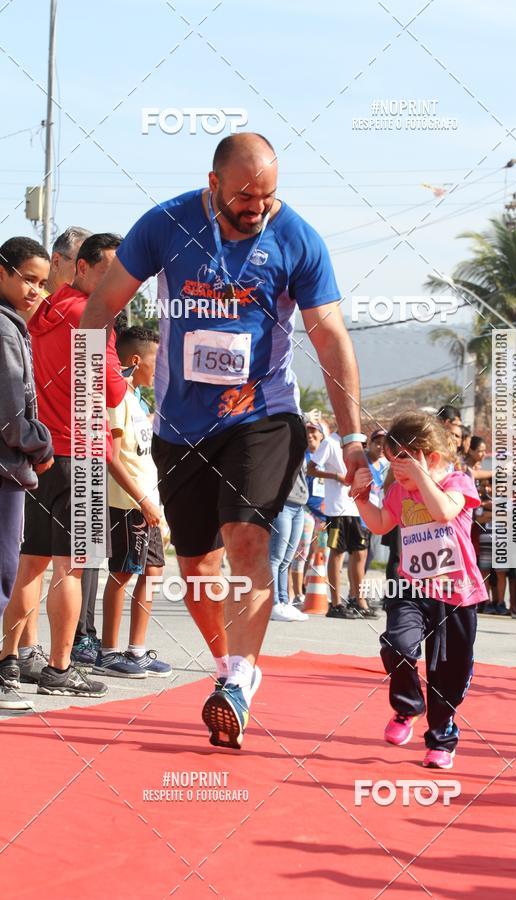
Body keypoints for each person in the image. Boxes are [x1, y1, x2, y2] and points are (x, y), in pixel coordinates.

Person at [80, 133, 368, 749]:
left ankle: (237, 680)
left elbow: (331, 340)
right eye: (243, 197)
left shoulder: (298, 239)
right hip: (180, 427)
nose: (257, 208)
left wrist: (351, 437)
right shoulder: (166, 224)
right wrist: (80, 393)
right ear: (212, 182)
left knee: (246, 536)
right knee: (198, 568)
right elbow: (101, 306)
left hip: (261, 415)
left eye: (267, 196)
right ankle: (230, 667)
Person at [0, 233, 126, 698]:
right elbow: (112, 392)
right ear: (83, 269)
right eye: (109, 270)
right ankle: (59, 668)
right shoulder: (92, 318)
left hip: (40, 455)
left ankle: (9, 661)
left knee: (29, 564)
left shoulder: (38, 315)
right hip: (83, 456)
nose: (119, 280)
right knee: (71, 569)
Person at [351, 410, 486, 770]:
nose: (398, 474)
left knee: (448, 671)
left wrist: (423, 478)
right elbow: (381, 525)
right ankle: (408, 707)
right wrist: (363, 499)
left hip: (455, 594)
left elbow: (443, 512)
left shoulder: (458, 483)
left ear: (432, 457)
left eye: (404, 464)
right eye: (393, 465)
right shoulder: (399, 491)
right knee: (397, 644)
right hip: (410, 588)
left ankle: (441, 738)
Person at [95, 326, 172, 677]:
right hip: (128, 504)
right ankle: (109, 653)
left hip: (148, 504)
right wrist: (142, 499)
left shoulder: (139, 400)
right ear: (136, 359)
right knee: (123, 573)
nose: (161, 366)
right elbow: (110, 457)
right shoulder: (117, 398)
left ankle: (136, 649)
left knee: (153, 572)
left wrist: (156, 504)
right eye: (157, 358)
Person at [0, 238, 54, 710]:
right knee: (3, 572)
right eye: (29, 279)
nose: (36, 290)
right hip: (6, 468)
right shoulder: (5, 329)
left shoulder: (15, 326)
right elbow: (12, 415)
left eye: (42, 283)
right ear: (3, 272)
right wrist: (41, 444)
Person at [308, 429, 374, 618]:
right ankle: (336, 603)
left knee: (360, 553)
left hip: (355, 507)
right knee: (337, 553)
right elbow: (311, 468)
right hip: (336, 509)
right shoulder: (330, 442)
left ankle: (358, 600)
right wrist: (336, 476)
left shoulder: (356, 443)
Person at [19, 226, 92, 324]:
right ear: (56, 262)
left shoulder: (85, 304)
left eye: (92, 266)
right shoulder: (32, 300)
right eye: (81, 265)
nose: (86, 273)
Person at [290, 420, 327, 605]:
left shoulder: (327, 457)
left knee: (320, 553)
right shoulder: (301, 456)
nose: (311, 435)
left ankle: (312, 589)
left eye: (315, 431)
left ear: (322, 435)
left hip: (323, 516)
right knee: (301, 553)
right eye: (308, 432)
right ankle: (297, 594)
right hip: (304, 511)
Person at [269, 464, 310, 622]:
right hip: (282, 504)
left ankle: (284, 602)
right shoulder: (282, 441)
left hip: (299, 506)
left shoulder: (300, 444)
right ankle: (273, 604)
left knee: (287, 560)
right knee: (276, 558)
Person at [364, 428, 390, 572]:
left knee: (370, 553)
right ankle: (355, 592)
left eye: (384, 444)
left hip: (375, 514)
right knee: (359, 553)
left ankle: (356, 589)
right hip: (359, 513)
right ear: (370, 443)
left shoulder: (383, 465)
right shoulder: (362, 460)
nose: (380, 447)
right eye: (377, 443)